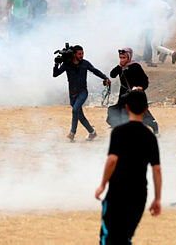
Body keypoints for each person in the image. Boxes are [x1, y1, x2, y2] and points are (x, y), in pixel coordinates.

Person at [95, 89, 161, 245]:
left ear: (126, 108)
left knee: (108, 237)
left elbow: (112, 160)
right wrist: (157, 198)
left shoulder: (119, 132)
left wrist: (103, 184)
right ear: (146, 110)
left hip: (118, 193)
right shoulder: (149, 136)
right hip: (139, 194)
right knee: (125, 237)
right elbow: (156, 169)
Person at [53, 45, 111, 141]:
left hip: (82, 92)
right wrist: (56, 64)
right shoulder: (67, 64)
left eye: (82, 53)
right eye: (79, 54)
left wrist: (105, 77)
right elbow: (55, 74)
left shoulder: (85, 63)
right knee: (80, 116)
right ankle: (92, 132)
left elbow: (95, 71)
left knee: (75, 110)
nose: (81, 55)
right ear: (74, 54)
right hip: (72, 94)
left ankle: (72, 133)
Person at [108, 48, 159, 134]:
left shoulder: (135, 66)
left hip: (136, 95)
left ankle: (155, 128)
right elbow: (112, 75)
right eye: (120, 57)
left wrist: (141, 87)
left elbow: (145, 80)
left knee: (142, 114)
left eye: (124, 57)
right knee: (124, 114)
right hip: (124, 95)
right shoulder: (121, 67)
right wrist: (119, 66)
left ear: (129, 57)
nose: (122, 60)